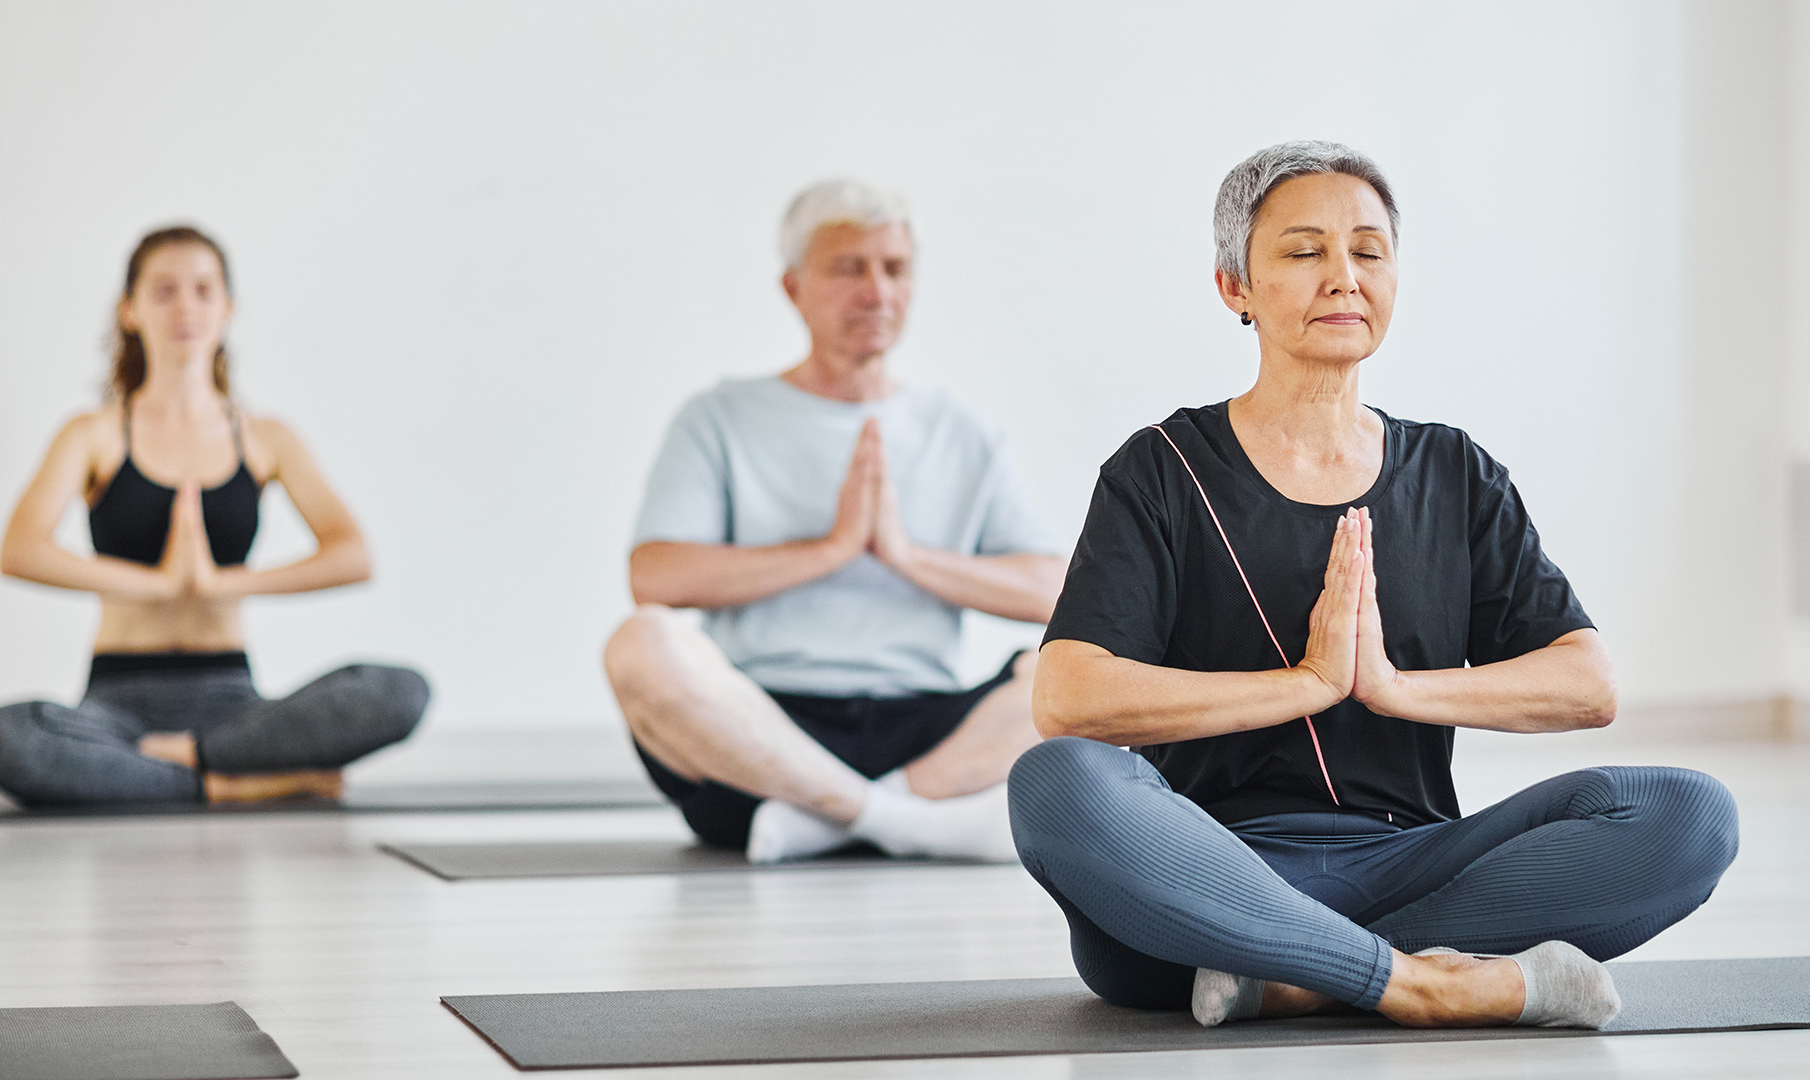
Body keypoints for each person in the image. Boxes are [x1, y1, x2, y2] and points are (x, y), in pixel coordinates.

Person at [1008, 142, 1739, 1030]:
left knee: (1688, 812)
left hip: (1413, 858)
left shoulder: (1454, 471)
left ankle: (1296, 973)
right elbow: (1068, 696)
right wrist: (1306, 685)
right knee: (1060, 779)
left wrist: (1390, 688)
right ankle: (1423, 983)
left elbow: (1586, 685)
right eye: (1304, 251)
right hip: (1207, 869)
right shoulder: (1161, 469)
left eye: (1369, 251)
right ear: (1234, 287)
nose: (1344, 277)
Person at [604, 178, 1066, 864]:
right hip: (760, 735)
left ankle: (839, 816)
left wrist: (904, 555)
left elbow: (1055, 592)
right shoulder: (720, 417)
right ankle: (899, 818)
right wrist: (832, 547)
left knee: (1081, 670)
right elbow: (656, 577)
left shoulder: (959, 431)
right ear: (793, 288)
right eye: (850, 268)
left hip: (924, 725)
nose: (877, 292)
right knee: (641, 643)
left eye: (894, 269)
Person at [0, 226, 427, 805]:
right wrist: (157, 584)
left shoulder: (264, 437)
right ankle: (225, 783)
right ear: (130, 311)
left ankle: (185, 766)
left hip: (234, 708)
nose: (186, 306)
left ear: (227, 308)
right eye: (164, 291)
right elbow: (21, 549)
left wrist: (217, 584)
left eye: (204, 290)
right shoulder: (94, 434)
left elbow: (352, 554)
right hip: (116, 705)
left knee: (400, 691)